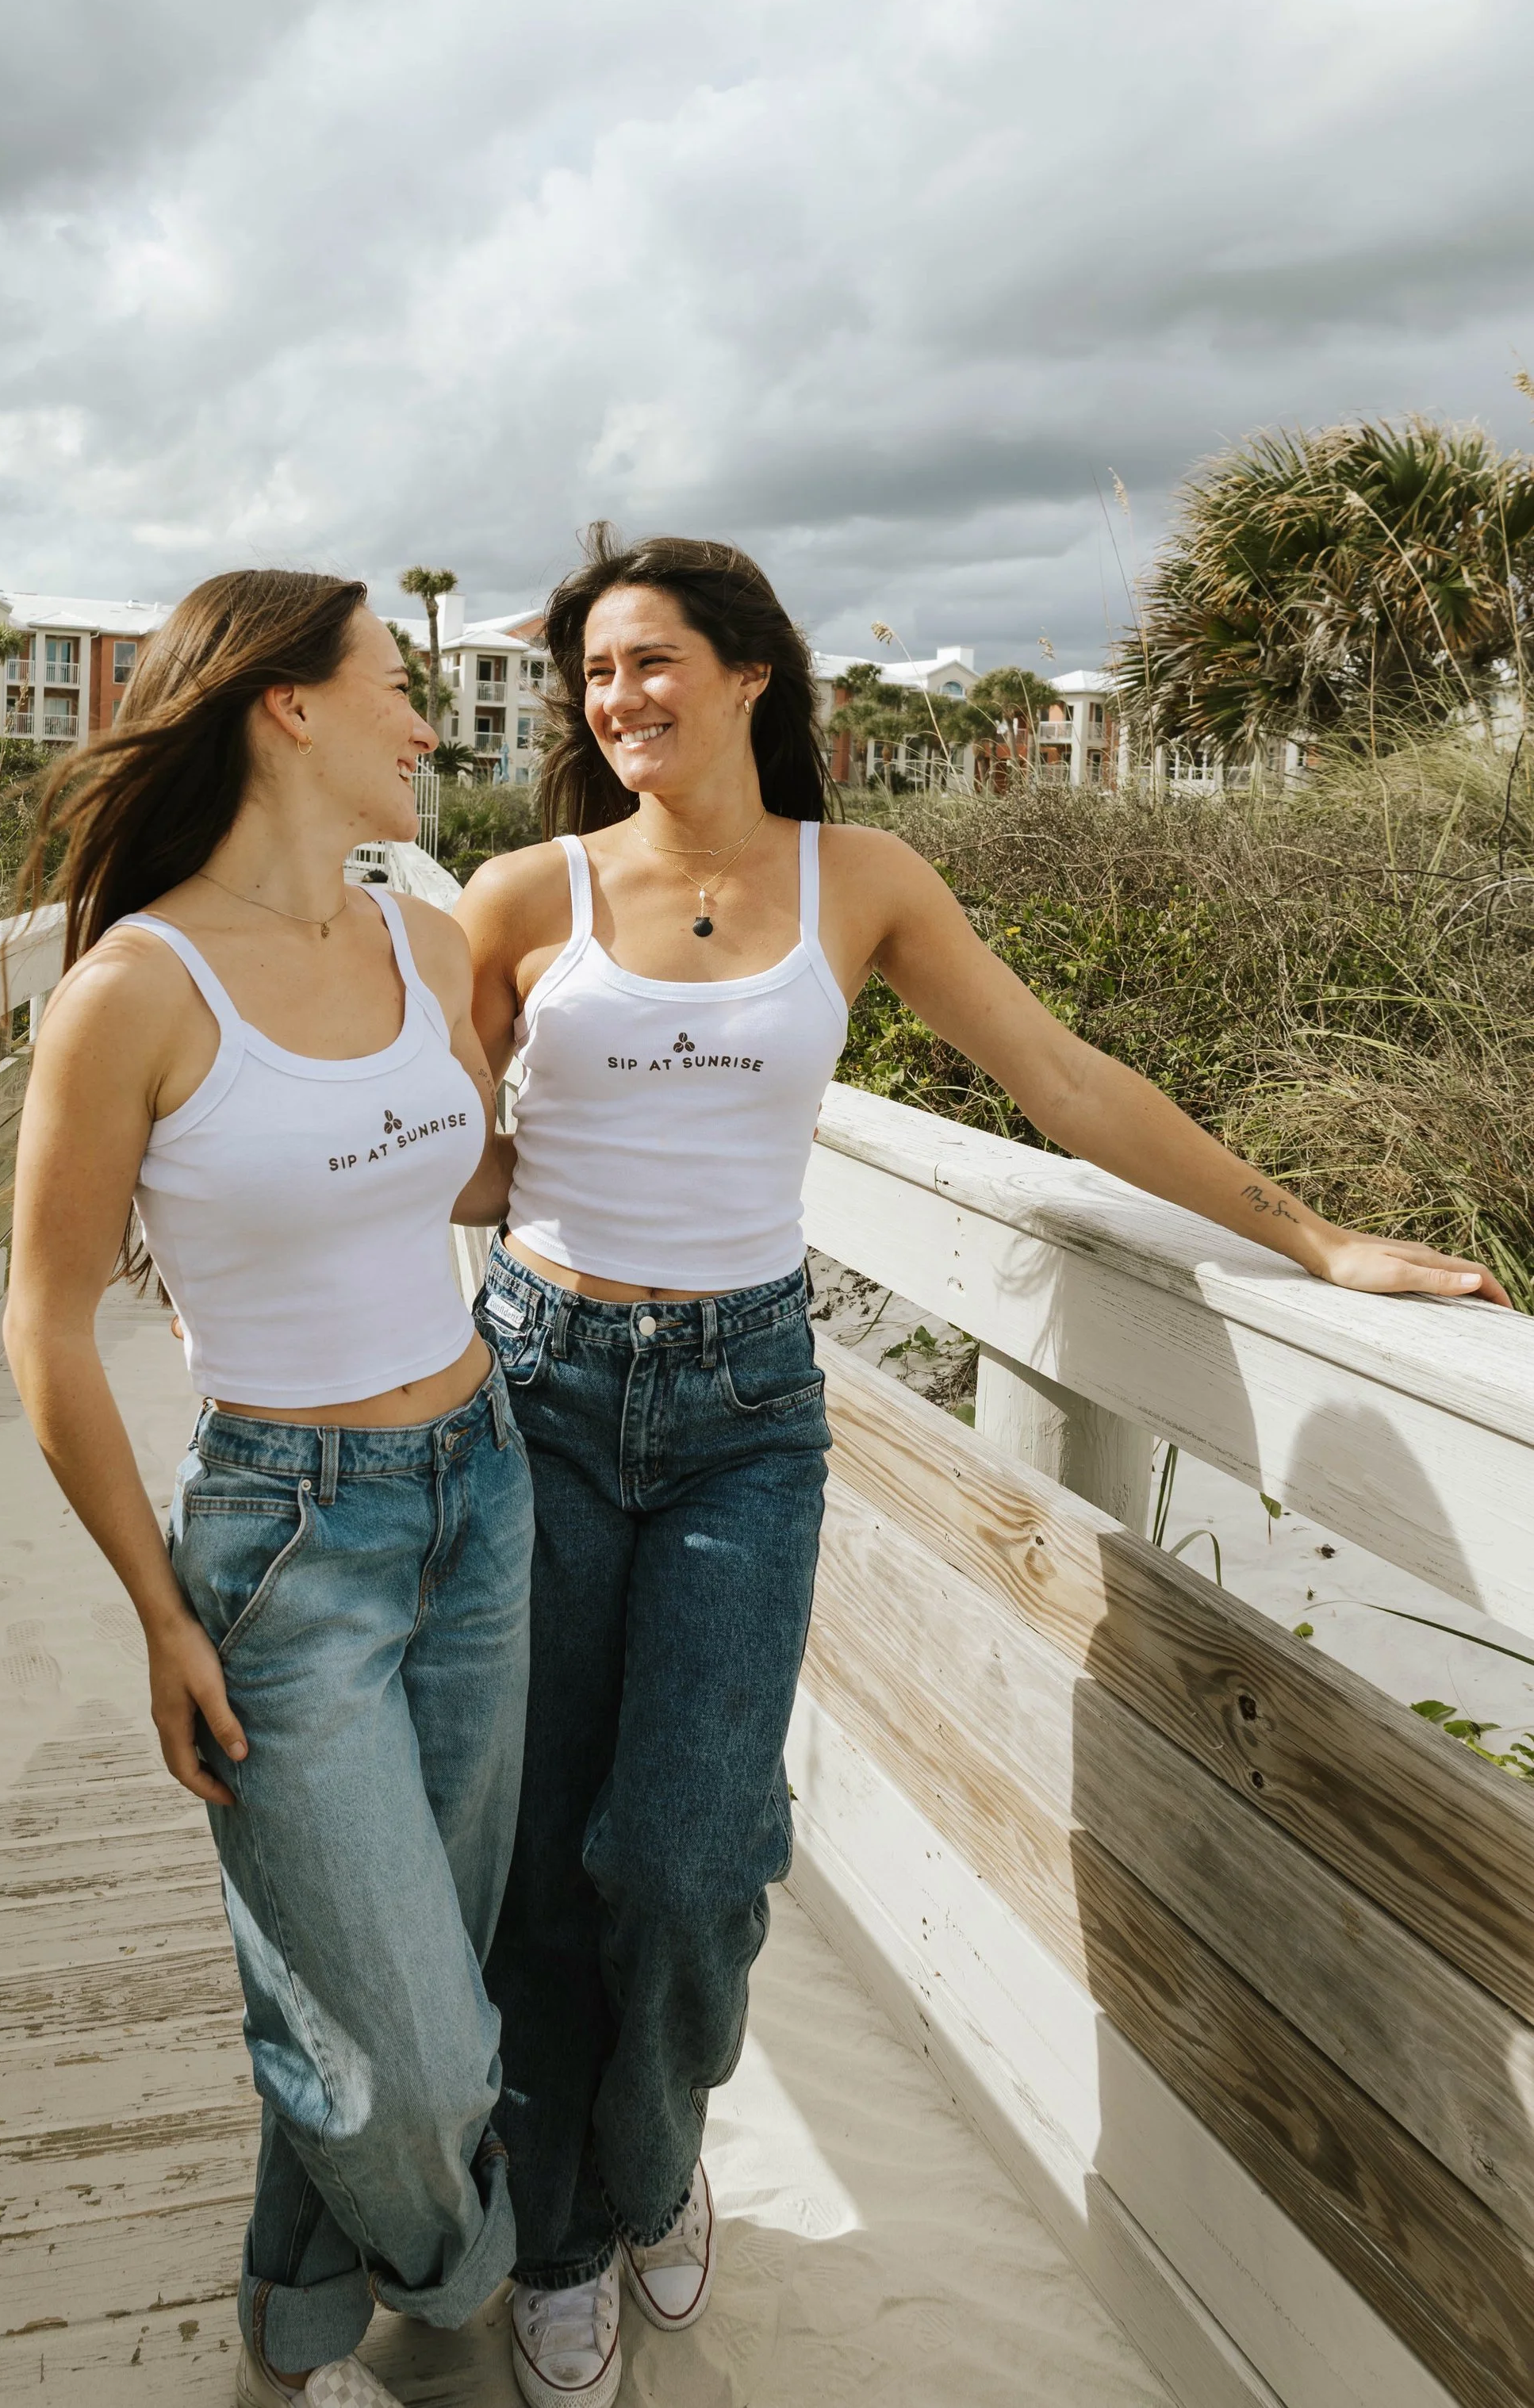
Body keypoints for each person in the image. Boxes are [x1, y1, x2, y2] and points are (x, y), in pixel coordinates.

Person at [458, 527, 1508, 2408]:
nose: (616, 701)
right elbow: (445, 1159)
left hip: (744, 1412)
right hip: (532, 1383)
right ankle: (552, 2237)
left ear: (749, 673)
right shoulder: (516, 893)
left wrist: (1313, 1240)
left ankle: (644, 2161)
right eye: (592, 676)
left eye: (648, 664)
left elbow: (1062, 1080)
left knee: (688, 1856)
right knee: (546, 1858)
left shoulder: (851, 878)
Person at [5, 570, 530, 2408]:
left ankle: (294, 2325)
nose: (424, 724)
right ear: (285, 710)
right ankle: (470, 2286)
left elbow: (463, 1173)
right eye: (397, 687)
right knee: (404, 2042)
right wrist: (158, 1609)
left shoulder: (424, 937)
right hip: (282, 1537)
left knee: (397, 1967)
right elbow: (46, 1330)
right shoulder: (129, 992)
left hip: (484, 1491)